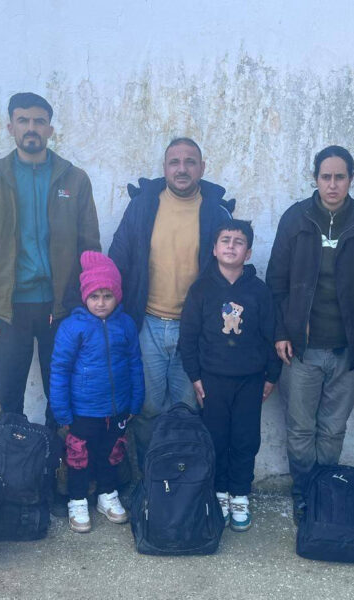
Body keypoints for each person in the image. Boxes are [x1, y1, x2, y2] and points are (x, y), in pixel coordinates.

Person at [266, 145, 354, 524]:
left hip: (349, 349)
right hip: (302, 348)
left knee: (333, 428)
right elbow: (276, 282)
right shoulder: (296, 219)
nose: (333, 185)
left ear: (352, 179)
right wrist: (281, 332)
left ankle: (325, 491)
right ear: (315, 179)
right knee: (300, 428)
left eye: (340, 177)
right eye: (326, 177)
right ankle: (304, 491)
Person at [0, 92, 100, 426]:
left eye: (39, 121)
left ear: (50, 129)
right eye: (23, 120)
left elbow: (90, 247)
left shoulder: (74, 179)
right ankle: (12, 454)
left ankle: (57, 456)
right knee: (10, 396)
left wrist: (88, 302)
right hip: (9, 308)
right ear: (10, 127)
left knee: (62, 394)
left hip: (62, 307)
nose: (31, 128)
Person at [108, 137, 233, 468]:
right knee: (147, 407)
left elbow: (228, 271)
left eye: (190, 162)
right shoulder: (142, 207)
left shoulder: (216, 212)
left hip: (193, 329)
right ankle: (151, 476)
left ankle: (183, 479)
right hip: (147, 322)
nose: (182, 169)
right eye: (174, 162)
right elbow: (118, 257)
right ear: (164, 168)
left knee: (187, 407)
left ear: (202, 168)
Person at [178, 220, 281, 532]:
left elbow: (271, 335)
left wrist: (271, 376)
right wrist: (195, 376)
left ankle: (239, 495)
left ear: (248, 253)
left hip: (250, 379)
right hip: (212, 379)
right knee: (216, 438)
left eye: (239, 242)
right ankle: (219, 492)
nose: (231, 246)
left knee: (245, 439)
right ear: (214, 248)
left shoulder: (259, 291)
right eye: (225, 240)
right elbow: (189, 336)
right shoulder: (201, 289)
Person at [49, 251, 144, 533]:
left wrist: (136, 401)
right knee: (78, 456)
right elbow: (60, 370)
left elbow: (135, 363)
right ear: (85, 297)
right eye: (94, 296)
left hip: (117, 409)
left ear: (117, 297)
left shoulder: (125, 325)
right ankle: (77, 500)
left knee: (111, 453)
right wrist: (62, 411)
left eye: (107, 296)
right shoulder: (72, 328)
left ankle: (107, 494)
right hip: (83, 410)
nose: (101, 303)